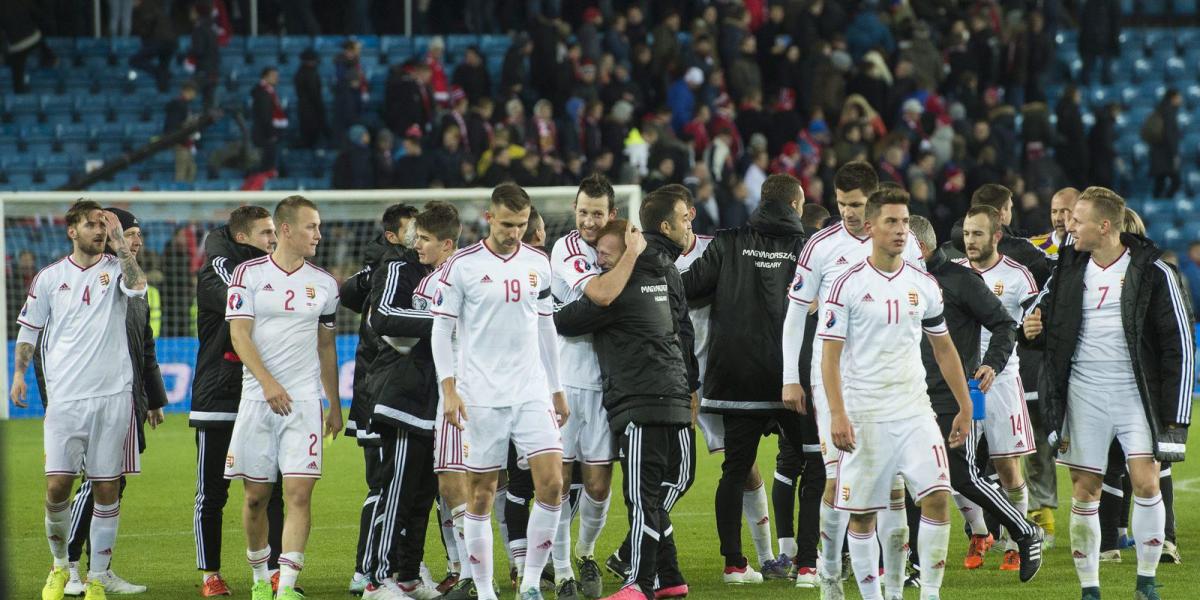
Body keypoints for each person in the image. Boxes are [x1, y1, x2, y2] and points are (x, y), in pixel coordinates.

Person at [1021, 186, 1193, 600]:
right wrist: (1029, 329)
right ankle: (1090, 589)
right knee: (1086, 489)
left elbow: (1179, 345)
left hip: (1137, 393)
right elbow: (1040, 317)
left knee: (1147, 481)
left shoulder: (1153, 271)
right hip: (1083, 394)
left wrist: (1175, 419)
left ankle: (1146, 583)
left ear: (1104, 225)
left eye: (1077, 220)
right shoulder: (1067, 268)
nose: (1068, 226)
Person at [818, 187, 972, 600]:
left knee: (939, 497)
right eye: (891, 221)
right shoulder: (845, 286)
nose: (901, 230)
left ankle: (930, 594)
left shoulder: (923, 284)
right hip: (864, 412)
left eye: (905, 222)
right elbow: (829, 359)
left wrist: (964, 403)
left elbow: (943, 347)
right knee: (864, 516)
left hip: (914, 410)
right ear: (870, 227)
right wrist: (837, 413)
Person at [781, 163, 923, 597]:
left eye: (857, 205)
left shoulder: (907, 244)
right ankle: (827, 571)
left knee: (894, 484)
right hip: (835, 378)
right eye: (842, 204)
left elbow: (918, 311)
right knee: (839, 477)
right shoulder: (820, 245)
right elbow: (794, 313)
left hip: (889, 381)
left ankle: (889, 578)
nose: (848, 213)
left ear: (875, 200)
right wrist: (790, 376)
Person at [431, 183, 570, 600]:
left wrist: (557, 388)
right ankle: (486, 589)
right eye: (508, 224)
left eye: (522, 224)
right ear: (490, 218)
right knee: (481, 493)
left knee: (552, 484)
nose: (515, 232)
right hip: (481, 396)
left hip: (530, 391)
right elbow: (441, 329)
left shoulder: (539, 264)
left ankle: (530, 583)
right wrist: (449, 389)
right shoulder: (462, 266)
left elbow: (546, 326)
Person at [11, 200, 148, 600]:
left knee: (107, 487)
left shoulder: (117, 268)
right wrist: (19, 374)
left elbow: (138, 287)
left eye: (103, 226)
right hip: (66, 397)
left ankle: (95, 578)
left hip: (113, 395)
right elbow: (29, 330)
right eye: (91, 225)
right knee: (57, 486)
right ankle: (60, 567)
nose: (99, 232)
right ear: (72, 230)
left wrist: (121, 242)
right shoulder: (50, 278)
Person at [554, 218, 695, 600]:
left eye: (604, 254)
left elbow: (564, 321)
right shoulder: (661, 276)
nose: (597, 261)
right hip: (673, 398)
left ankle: (639, 583)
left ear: (626, 253)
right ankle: (670, 577)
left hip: (641, 403)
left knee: (641, 498)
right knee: (654, 494)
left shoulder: (617, 291)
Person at [682, 173, 807, 584]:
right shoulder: (805, 248)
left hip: (736, 377)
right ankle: (807, 562)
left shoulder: (729, 241)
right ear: (795, 205)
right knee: (817, 465)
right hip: (792, 378)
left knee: (735, 470)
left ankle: (734, 564)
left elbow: (689, 288)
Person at [904, 214, 1042, 588]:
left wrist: (991, 364)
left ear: (918, 245)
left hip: (954, 394)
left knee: (962, 475)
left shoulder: (961, 281)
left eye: (900, 239)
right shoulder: (903, 280)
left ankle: (1025, 530)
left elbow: (1005, 324)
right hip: (910, 394)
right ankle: (914, 567)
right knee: (910, 481)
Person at [224, 196, 344, 600]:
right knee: (256, 497)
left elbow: (326, 347)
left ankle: (286, 586)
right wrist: (269, 383)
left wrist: (334, 402)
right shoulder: (248, 274)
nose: (319, 234)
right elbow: (239, 334)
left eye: (320, 226)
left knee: (298, 493)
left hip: (305, 403)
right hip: (258, 402)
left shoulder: (325, 284)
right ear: (287, 230)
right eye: (312, 226)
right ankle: (260, 578)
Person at [39, 207, 164, 596]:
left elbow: (144, 348)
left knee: (111, 485)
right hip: (78, 399)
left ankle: (99, 571)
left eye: (139, 234)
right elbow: (53, 347)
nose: (137, 240)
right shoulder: (69, 282)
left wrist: (154, 399)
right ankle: (70, 567)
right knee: (86, 487)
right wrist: (54, 400)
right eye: (130, 233)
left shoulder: (133, 286)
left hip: (123, 399)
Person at [361, 202, 464, 600]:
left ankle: (407, 575)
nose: (415, 244)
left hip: (435, 401)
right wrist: (447, 320)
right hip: (403, 397)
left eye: (422, 238)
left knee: (422, 495)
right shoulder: (400, 268)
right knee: (398, 490)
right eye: (415, 236)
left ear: (447, 243)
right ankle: (375, 578)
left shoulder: (457, 274)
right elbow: (382, 317)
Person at [547, 174, 636, 599]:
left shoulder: (617, 248)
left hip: (605, 384)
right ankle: (562, 568)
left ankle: (585, 553)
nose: (587, 220)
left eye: (596, 213)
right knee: (560, 481)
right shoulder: (566, 248)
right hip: (565, 381)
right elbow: (601, 296)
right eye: (582, 211)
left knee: (599, 485)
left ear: (611, 215)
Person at [191, 206, 286, 597]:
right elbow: (243, 300)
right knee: (212, 492)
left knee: (273, 488)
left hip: (263, 396)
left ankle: (278, 568)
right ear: (244, 237)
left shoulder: (268, 271)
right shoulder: (221, 272)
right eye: (266, 233)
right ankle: (209, 573)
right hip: (218, 394)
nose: (274, 240)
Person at [953, 205, 1042, 571]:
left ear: (996, 236)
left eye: (977, 234)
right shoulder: (952, 274)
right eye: (967, 234)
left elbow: (1032, 326)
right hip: (960, 382)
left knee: (1007, 467)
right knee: (957, 464)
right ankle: (979, 531)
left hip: (1002, 382)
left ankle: (1013, 541)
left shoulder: (1019, 276)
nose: (970, 241)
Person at [338, 203, 417, 595]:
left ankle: (399, 567)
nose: (419, 235)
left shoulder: (382, 270)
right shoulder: (392, 271)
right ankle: (366, 570)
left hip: (389, 392)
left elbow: (349, 291)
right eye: (412, 229)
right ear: (392, 236)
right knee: (384, 486)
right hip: (378, 394)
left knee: (400, 486)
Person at [1024, 187, 1079, 547]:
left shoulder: (1093, 251)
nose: (1059, 217)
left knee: (1091, 445)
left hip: (1083, 360)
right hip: (1040, 359)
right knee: (1038, 440)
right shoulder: (1033, 248)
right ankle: (1042, 519)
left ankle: (1107, 521)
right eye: (1055, 210)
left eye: (1066, 211)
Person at [128, 0, 177, 92]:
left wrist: (141, 35)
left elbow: (146, 25)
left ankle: (160, 74)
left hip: (158, 40)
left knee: (134, 60)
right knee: (164, 66)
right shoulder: (158, 6)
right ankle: (164, 89)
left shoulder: (145, 8)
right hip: (171, 41)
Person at [1146, 90, 1182, 198]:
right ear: (1173, 98)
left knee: (1160, 182)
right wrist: (1174, 154)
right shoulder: (1169, 112)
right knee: (1176, 181)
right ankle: (1165, 202)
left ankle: (1158, 203)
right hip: (1166, 154)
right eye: (1179, 97)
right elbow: (1170, 135)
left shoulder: (1159, 110)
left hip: (1157, 153)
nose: (1180, 100)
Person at [251, 67, 287, 175]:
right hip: (265, 134)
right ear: (265, 77)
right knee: (266, 165)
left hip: (267, 133)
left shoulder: (267, 91)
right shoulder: (263, 93)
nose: (277, 78)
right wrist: (271, 133)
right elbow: (264, 115)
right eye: (274, 76)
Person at [294, 48, 330, 149]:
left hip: (305, 109)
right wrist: (320, 110)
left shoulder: (300, 72)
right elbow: (315, 95)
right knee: (311, 138)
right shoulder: (310, 74)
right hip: (312, 110)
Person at [164, 81, 198, 183]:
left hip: (186, 142)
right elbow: (174, 125)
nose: (194, 95)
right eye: (192, 92)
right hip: (180, 143)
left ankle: (187, 195)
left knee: (191, 169)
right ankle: (178, 196)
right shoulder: (178, 105)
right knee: (181, 172)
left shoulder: (185, 105)